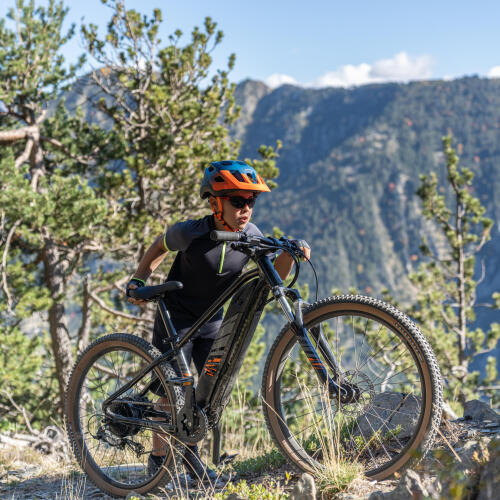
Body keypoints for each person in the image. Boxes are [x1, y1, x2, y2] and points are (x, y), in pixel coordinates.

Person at [126, 160, 310, 484]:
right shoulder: (191, 233)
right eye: (238, 201)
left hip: (212, 320)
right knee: (174, 389)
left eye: (251, 201)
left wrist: (289, 252)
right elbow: (158, 245)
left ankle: (190, 453)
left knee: (209, 390)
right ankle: (161, 460)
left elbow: (273, 280)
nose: (246, 209)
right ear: (215, 202)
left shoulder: (251, 236)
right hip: (177, 316)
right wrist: (139, 279)